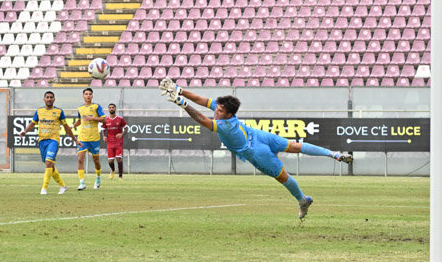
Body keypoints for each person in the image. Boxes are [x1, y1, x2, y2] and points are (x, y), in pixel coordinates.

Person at [159, 78, 353, 221]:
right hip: (258, 135)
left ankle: (302, 200)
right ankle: (333, 154)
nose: (216, 111)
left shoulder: (225, 125)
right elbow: (201, 99)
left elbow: (203, 120)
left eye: (219, 111)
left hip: (254, 151)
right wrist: (179, 89)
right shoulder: (225, 113)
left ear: (229, 114)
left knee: (282, 176)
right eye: (216, 109)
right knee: (294, 145)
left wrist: (182, 103)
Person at [22, 90, 77, 195]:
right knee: (50, 165)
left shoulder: (59, 112)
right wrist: (25, 131)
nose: (49, 99)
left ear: (54, 99)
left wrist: (75, 140)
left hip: (53, 140)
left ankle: (44, 188)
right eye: (47, 97)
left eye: (51, 97)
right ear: (44, 99)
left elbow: (66, 128)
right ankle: (63, 186)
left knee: (48, 162)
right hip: (42, 141)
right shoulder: (39, 111)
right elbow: (32, 123)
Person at [71, 87, 105, 190]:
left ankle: (98, 178)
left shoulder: (96, 107)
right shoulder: (80, 108)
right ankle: (82, 183)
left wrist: (92, 118)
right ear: (83, 96)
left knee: (96, 160)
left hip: (94, 138)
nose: (88, 95)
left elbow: (104, 120)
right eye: (86, 94)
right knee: (80, 159)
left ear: (92, 96)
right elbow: (80, 120)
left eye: (90, 94)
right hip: (82, 138)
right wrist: (72, 126)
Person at [102, 103, 127, 179]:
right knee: (110, 161)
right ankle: (113, 170)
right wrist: (103, 136)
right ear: (108, 109)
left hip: (118, 141)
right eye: (110, 108)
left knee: (118, 158)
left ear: (115, 109)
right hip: (109, 142)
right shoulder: (106, 119)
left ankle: (120, 176)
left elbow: (126, 128)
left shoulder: (120, 119)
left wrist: (122, 134)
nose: (111, 109)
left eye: (113, 107)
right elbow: (103, 129)